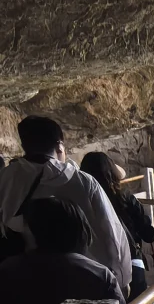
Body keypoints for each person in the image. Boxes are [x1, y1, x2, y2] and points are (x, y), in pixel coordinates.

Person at [0, 116, 130, 293]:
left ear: (24, 144)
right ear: (59, 144)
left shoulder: (7, 178)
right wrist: (122, 277)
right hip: (84, 277)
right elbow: (111, 232)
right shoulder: (82, 181)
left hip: (23, 280)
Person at [80, 152, 154, 304]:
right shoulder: (123, 195)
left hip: (93, 267)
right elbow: (147, 230)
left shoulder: (81, 198)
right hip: (131, 264)